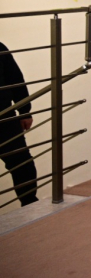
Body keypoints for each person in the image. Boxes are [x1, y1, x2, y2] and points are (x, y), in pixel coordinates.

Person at [0, 42, 38, 207]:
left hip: (5, 116)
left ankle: (29, 203)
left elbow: (15, 78)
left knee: (22, 163)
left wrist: (24, 111)